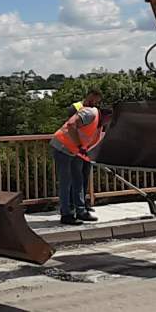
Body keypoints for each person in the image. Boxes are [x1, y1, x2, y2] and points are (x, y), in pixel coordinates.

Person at [51, 89, 103, 223]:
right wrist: (79, 146)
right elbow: (71, 125)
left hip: (75, 150)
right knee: (66, 181)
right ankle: (66, 215)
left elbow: (90, 139)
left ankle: (81, 211)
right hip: (62, 147)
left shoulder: (99, 124)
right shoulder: (89, 112)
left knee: (78, 180)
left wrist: (83, 150)